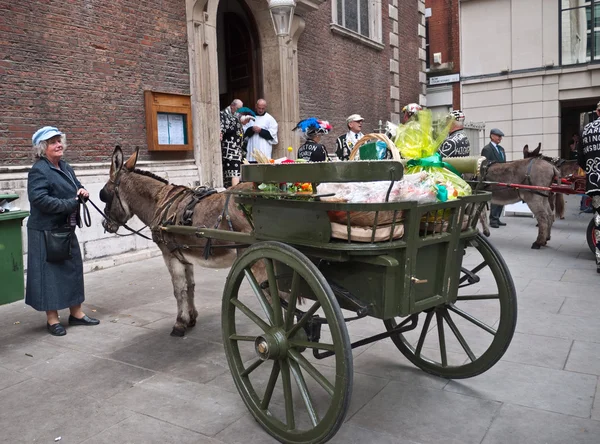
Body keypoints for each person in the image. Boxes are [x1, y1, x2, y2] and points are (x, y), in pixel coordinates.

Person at [26, 126, 99, 336]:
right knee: (50, 275)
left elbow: (75, 186)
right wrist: (71, 203)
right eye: (52, 142)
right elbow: (39, 199)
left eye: (59, 140)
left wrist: (82, 191)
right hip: (46, 231)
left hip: (65, 228)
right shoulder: (39, 170)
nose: (59, 145)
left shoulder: (65, 166)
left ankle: (76, 314)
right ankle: (52, 319)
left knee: (72, 269)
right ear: (42, 148)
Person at [577, 101, 600, 273]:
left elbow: (581, 160)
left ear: (598, 112)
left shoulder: (586, 129)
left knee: (598, 222)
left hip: (595, 183)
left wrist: (592, 170)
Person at [220, 99, 253, 187]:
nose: (239, 111)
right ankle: (235, 192)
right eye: (238, 108)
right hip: (229, 148)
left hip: (238, 149)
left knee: (239, 171)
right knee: (233, 172)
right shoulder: (223, 114)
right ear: (232, 106)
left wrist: (244, 122)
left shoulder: (237, 114)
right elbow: (224, 128)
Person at [481, 128, 507, 228]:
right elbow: (485, 164)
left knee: (502, 198)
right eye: (498, 136)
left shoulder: (501, 149)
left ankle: (497, 218)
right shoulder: (487, 149)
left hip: (503, 177)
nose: (500, 138)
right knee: (496, 199)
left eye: (501, 136)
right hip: (493, 178)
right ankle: (493, 220)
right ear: (492, 136)